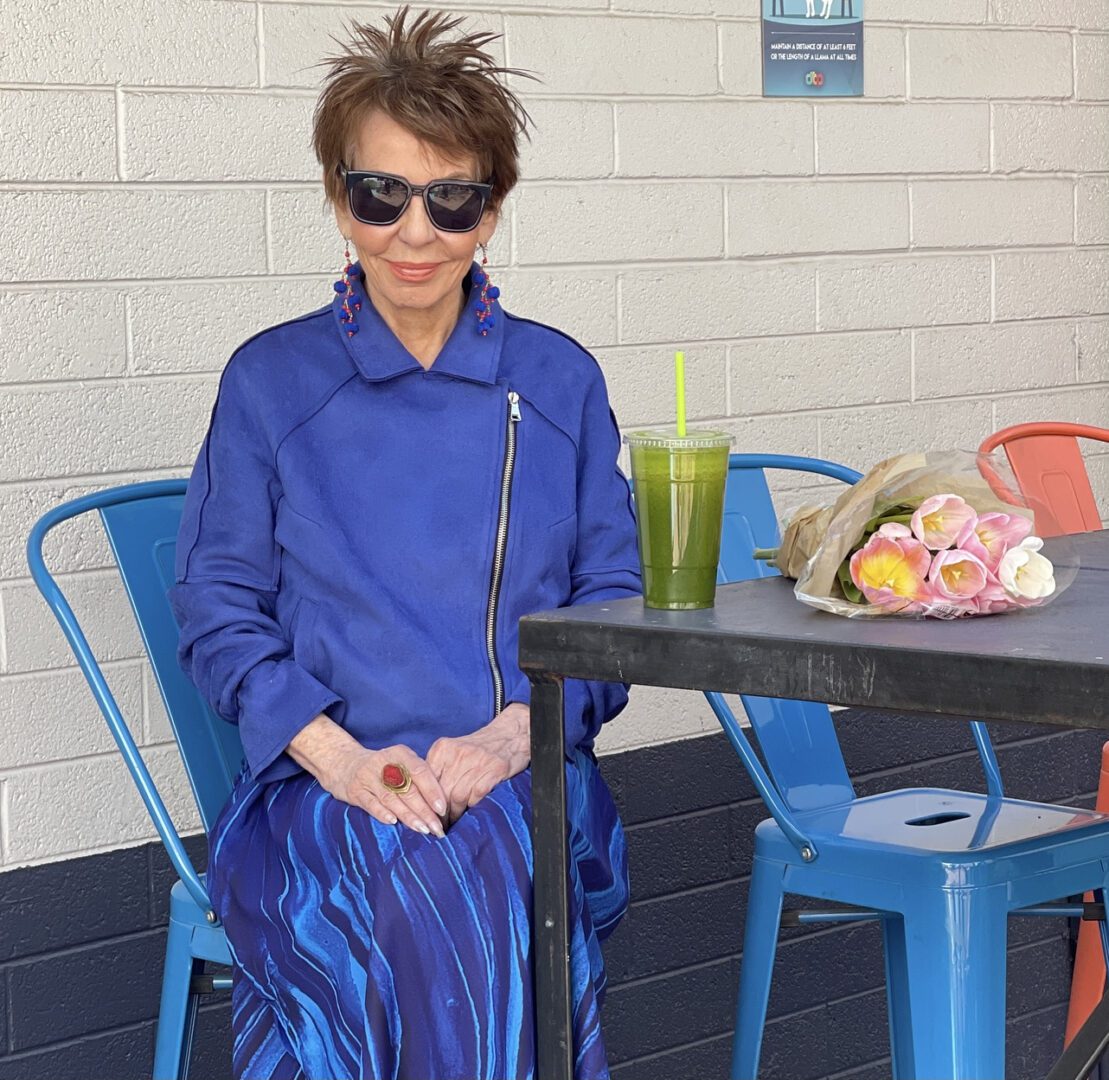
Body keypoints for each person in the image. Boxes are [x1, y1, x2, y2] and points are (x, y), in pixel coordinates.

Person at [168, 7, 642, 1079]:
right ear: (338, 201)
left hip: (525, 780)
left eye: (451, 199)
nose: (414, 234)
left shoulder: (554, 381)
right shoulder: (270, 382)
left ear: (493, 206)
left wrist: (513, 738)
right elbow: (216, 607)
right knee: (409, 872)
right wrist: (338, 759)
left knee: (472, 858)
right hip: (316, 788)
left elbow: (613, 604)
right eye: (380, 196)